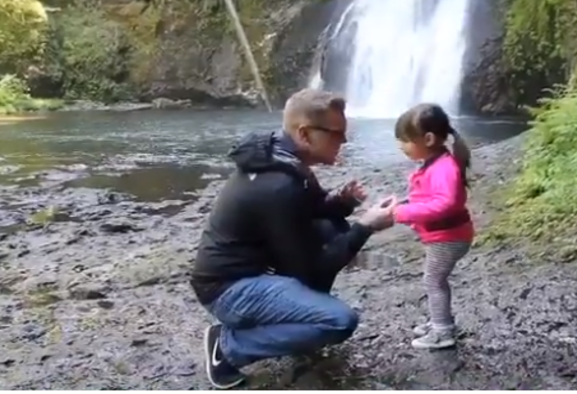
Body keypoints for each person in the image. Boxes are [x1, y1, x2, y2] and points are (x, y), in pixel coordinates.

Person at [189, 88, 397, 389]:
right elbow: (311, 269)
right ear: (304, 134)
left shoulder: (282, 160)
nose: (344, 141)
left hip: (256, 268)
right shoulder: (279, 185)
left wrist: (342, 202)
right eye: (337, 134)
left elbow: (313, 210)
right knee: (340, 321)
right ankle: (228, 347)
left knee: (331, 228)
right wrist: (365, 226)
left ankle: (297, 325)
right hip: (228, 288)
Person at [391, 103, 475, 349]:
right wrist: (403, 203)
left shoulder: (444, 168)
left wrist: (403, 212)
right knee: (435, 280)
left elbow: (445, 203)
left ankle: (442, 331)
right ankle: (441, 320)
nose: (400, 146)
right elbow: (428, 197)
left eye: (405, 140)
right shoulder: (435, 162)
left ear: (427, 139)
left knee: (433, 281)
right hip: (445, 235)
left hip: (449, 237)